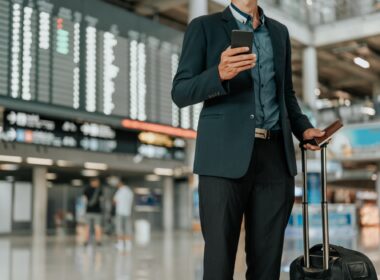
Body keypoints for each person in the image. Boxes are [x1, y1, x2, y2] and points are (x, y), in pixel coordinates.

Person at [171, 0, 325, 279]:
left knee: (267, 265)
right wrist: (218, 74)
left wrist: (303, 128)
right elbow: (180, 91)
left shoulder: (279, 32)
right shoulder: (203, 27)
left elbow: (286, 93)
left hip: (275, 159)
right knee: (219, 263)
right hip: (222, 159)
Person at [113, 179, 134, 251]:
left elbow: (115, 201)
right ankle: (128, 245)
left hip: (120, 212)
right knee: (128, 228)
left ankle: (120, 245)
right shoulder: (129, 191)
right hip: (128, 212)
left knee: (119, 228)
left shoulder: (120, 191)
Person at [83, 178, 104, 246]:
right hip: (96, 211)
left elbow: (84, 200)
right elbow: (101, 200)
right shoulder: (99, 190)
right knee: (95, 226)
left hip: (89, 211)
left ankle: (87, 241)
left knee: (88, 226)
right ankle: (98, 241)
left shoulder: (86, 190)